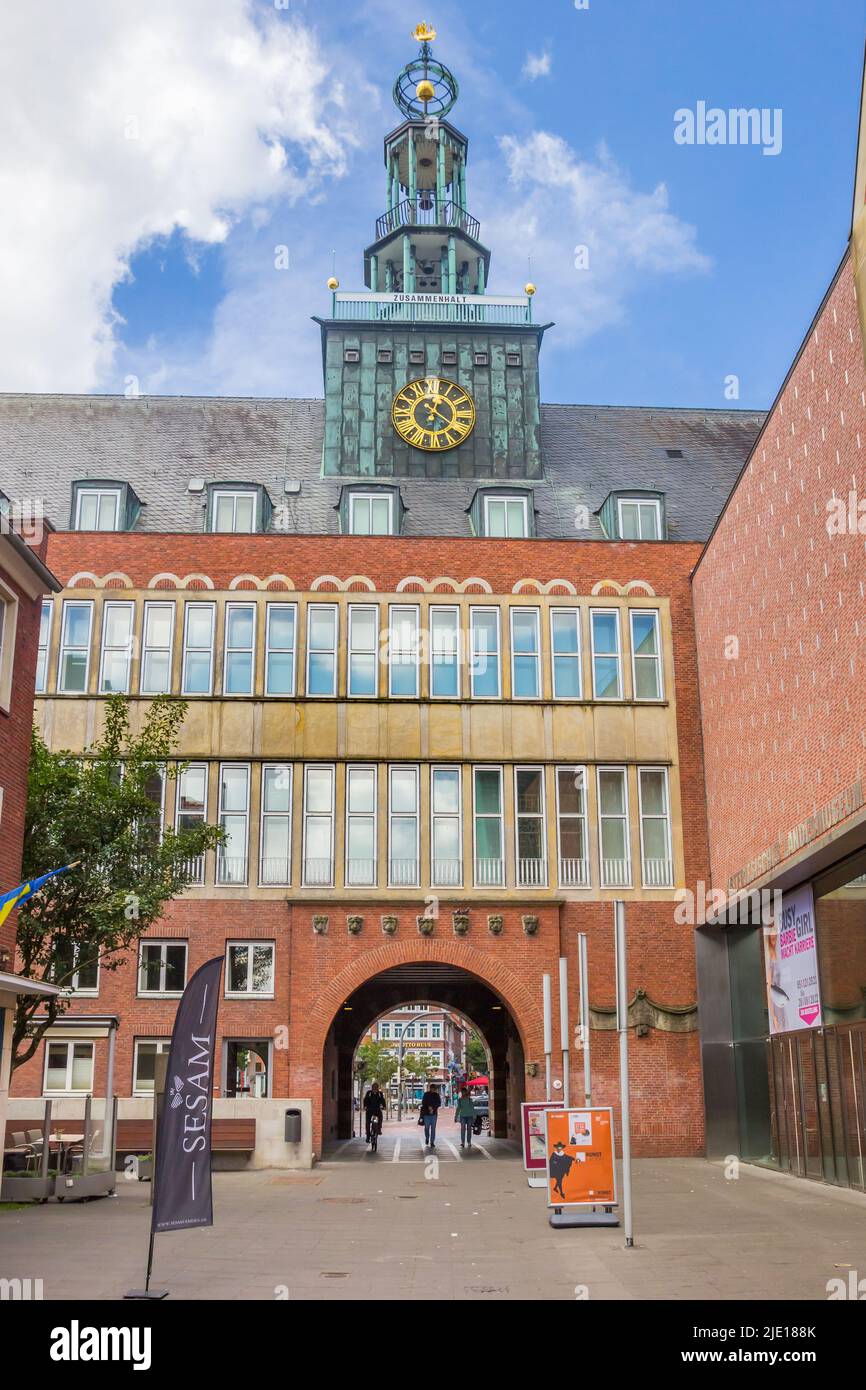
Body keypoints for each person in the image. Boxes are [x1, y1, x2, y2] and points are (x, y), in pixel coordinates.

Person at [419, 1082, 441, 1147]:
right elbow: (423, 1102)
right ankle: (427, 1138)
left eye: (434, 1089)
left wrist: (433, 1108)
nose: (433, 1089)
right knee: (426, 1127)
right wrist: (428, 1107)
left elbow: (439, 1103)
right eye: (432, 1088)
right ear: (430, 1088)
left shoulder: (437, 1095)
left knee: (433, 1128)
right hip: (426, 1114)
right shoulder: (426, 1094)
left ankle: (432, 1142)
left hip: (434, 1114)